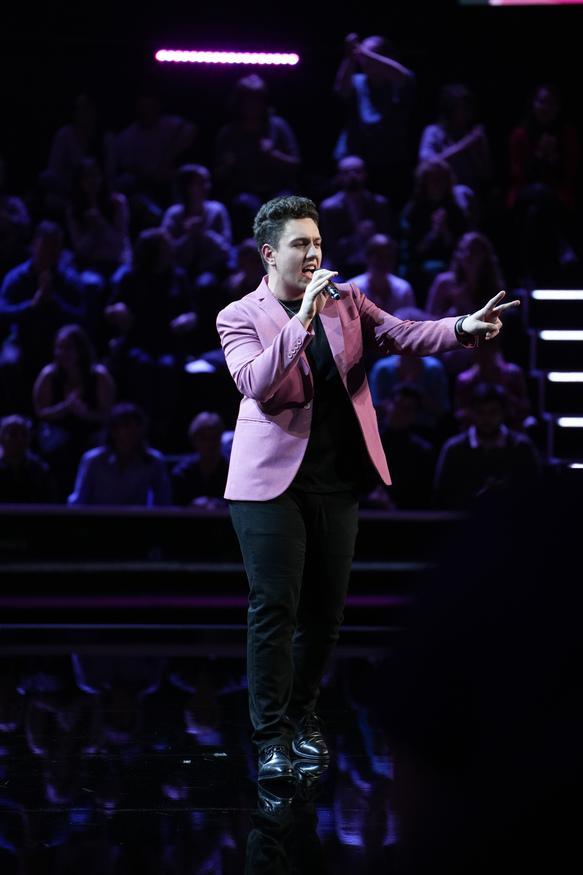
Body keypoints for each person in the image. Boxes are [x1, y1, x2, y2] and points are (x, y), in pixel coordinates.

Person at [215, 195, 518, 785]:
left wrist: (461, 327)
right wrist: (302, 318)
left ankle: (301, 718)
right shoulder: (240, 314)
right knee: (275, 607)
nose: (313, 253)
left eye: (317, 242)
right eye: (300, 244)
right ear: (269, 253)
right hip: (269, 486)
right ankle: (271, 736)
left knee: (325, 615)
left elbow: (402, 333)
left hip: (337, 479)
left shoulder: (346, 300)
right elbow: (256, 382)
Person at [33, 324, 115, 498]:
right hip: (58, 432)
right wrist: (66, 408)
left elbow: (107, 414)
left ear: (81, 349)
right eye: (60, 347)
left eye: (69, 347)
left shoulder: (99, 376)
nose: (63, 353)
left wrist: (86, 414)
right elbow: (41, 412)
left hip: (91, 432)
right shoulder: (49, 375)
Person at [433, 382, 541, 510]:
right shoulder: (454, 449)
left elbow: (534, 493)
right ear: (472, 413)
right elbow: (442, 496)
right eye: (480, 412)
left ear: (503, 413)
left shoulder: (522, 448)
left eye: (493, 412)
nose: (486, 418)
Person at [68, 402, 171, 506]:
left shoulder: (153, 461)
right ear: (113, 430)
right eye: (126, 426)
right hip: (99, 516)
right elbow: (79, 499)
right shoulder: (93, 460)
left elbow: (162, 502)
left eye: (136, 426)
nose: (131, 432)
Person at [318, 155, 391, 277]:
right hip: (340, 265)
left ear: (365, 175)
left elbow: (387, 240)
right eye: (346, 172)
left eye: (357, 171)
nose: (352, 176)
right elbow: (331, 248)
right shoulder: (329, 208)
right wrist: (357, 236)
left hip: (372, 265)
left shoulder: (378, 204)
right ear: (339, 177)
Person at [171, 411, 229, 508]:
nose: (210, 444)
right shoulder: (182, 472)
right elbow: (174, 507)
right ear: (194, 440)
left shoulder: (231, 472)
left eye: (214, 438)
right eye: (204, 438)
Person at [0, 414, 55, 503]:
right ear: (1, 437)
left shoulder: (39, 469)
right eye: (13, 434)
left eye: (24, 434)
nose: (20, 439)